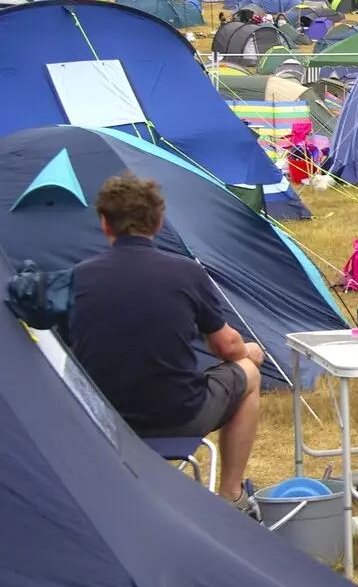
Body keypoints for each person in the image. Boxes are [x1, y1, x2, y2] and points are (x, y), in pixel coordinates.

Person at [67, 173, 264, 515]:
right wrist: (249, 352)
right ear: (158, 223)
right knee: (249, 371)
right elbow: (227, 348)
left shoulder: (77, 277)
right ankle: (232, 497)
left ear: (104, 223)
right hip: (178, 416)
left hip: (101, 420)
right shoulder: (185, 272)